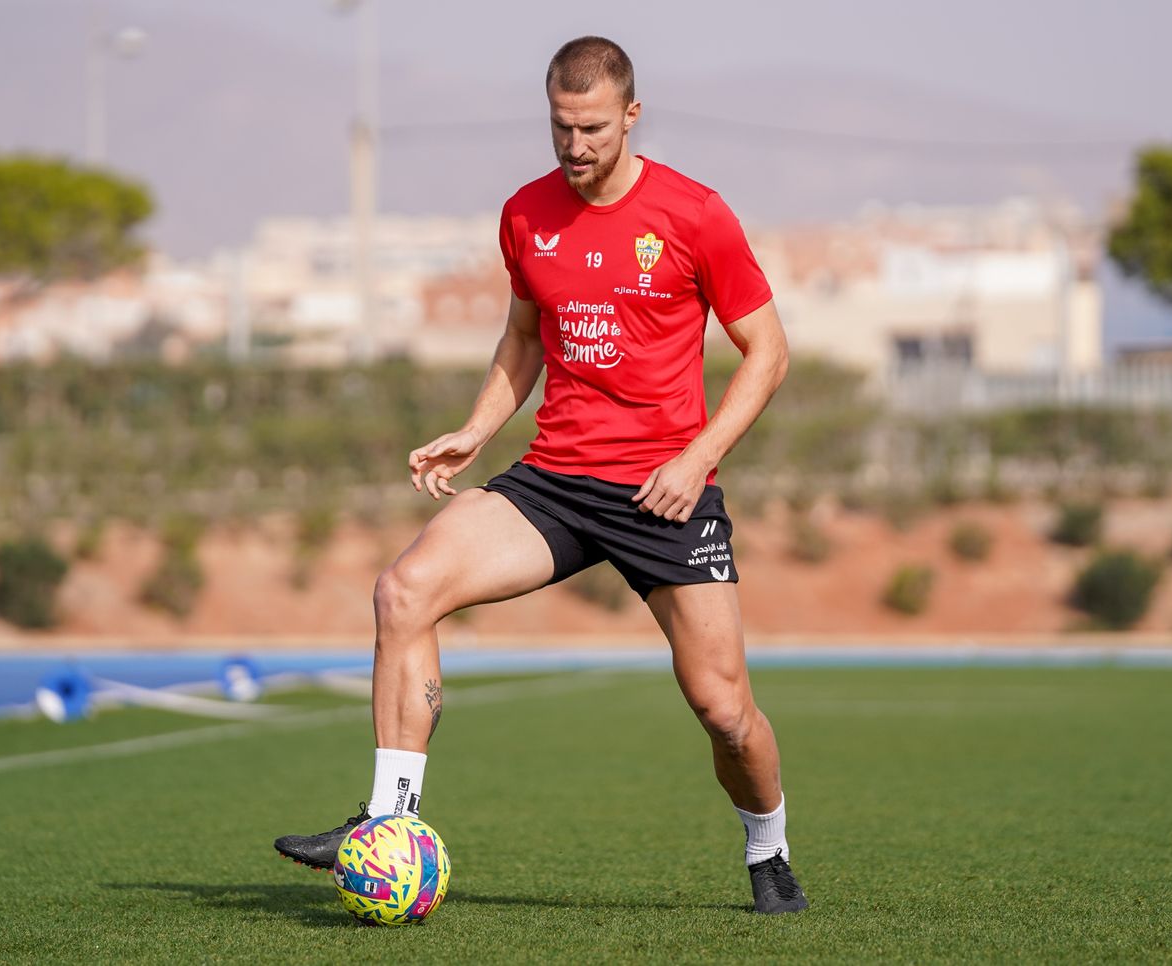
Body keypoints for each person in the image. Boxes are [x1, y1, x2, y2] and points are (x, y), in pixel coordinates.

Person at [275, 35, 808, 915]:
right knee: (404, 591)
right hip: (555, 480)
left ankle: (768, 846)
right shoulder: (527, 214)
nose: (575, 146)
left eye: (593, 127)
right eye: (561, 127)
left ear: (631, 116)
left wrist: (696, 458)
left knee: (724, 712)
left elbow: (770, 354)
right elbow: (523, 339)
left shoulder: (695, 214)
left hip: (663, 491)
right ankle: (386, 819)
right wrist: (477, 431)